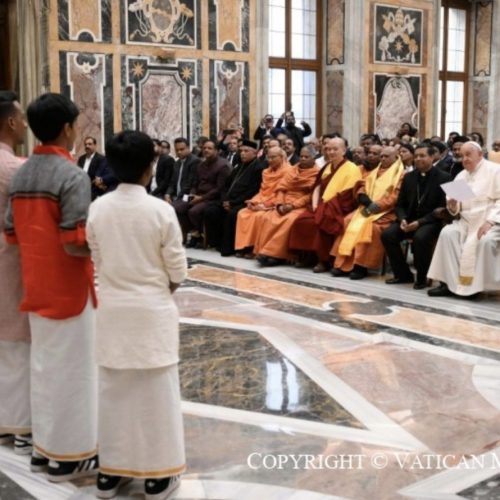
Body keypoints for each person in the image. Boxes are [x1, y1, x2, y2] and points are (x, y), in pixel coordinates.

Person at [86, 130, 187, 499]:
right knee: (156, 395)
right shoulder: (160, 210)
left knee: (114, 391)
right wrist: (158, 288)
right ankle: (159, 475)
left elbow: (97, 259)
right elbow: (177, 270)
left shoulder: (98, 208)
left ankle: (111, 472)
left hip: (111, 309)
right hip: (152, 312)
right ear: (150, 167)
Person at [4, 92, 98, 480]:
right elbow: (75, 243)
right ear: (67, 128)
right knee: (75, 372)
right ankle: (70, 454)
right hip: (69, 287)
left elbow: (11, 233)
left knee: (44, 368)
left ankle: (43, 449)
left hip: (34, 284)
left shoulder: (22, 173)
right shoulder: (72, 176)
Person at [0, 91, 32, 455]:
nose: (24, 124)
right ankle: (20, 424)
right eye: (21, 118)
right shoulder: (16, 168)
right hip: (10, 260)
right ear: (11, 121)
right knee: (18, 345)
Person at [427, 141, 500, 297]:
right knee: (447, 233)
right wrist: (453, 205)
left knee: (485, 241)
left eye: (468, 155)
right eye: (462, 155)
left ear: (480, 154)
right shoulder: (461, 175)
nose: (465, 159)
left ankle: (477, 287)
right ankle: (448, 284)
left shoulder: (495, 171)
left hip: (490, 221)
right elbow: (456, 207)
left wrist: (490, 221)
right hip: (466, 222)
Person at [381, 144, 451, 289]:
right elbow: (399, 204)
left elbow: (444, 208)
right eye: (416, 156)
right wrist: (402, 219)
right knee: (388, 235)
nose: (418, 159)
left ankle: (422, 277)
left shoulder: (445, 177)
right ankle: (403, 274)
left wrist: (420, 222)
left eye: (422, 156)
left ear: (432, 157)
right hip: (409, 220)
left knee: (420, 237)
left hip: (431, 221)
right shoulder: (409, 177)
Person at [288, 137, 362, 272]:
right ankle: (307, 256)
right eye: (328, 149)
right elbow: (317, 187)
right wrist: (315, 205)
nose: (331, 152)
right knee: (301, 221)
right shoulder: (327, 167)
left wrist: (324, 207)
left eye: (335, 149)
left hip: (337, 207)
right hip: (320, 204)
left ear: (344, 150)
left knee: (322, 222)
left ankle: (324, 260)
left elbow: (347, 197)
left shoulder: (352, 169)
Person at [331, 147, 405, 279]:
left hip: (386, 212)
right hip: (367, 207)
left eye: (386, 156)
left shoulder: (401, 174)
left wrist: (378, 205)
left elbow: (396, 196)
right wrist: (363, 197)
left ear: (395, 157)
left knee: (371, 228)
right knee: (348, 220)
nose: (382, 159)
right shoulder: (375, 171)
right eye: (381, 156)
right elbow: (363, 186)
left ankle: (361, 266)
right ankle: (343, 263)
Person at [254, 146, 320, 266]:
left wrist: (292, 205)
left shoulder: (318, 173)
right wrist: (280, 204)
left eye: (306, 157)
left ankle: (276, 256)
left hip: (300, 205)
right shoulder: (292, 170)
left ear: (314, 158)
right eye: (301, 156)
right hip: (284, 202)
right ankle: (264, 251)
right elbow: (281, 188)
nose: (303, 159)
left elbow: (311, 195)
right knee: (268, 217)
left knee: (289, 220)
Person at [204, 140, 263, 256]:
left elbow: (253, 191)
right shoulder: (238, 166)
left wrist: (233, 203)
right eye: (241, 151)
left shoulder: (258, 168)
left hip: (244, 201)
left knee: (232, 214)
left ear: (255, 153)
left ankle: (229, 247)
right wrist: (226, 200)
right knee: (210, 210)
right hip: (229, 200)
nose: (242, 154)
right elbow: (226, 185)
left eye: (246, 151)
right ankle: (216, 242)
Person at [172, 139, 230, 247]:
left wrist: (201, 198)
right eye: (204, 148)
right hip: (197, 195)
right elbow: (195, 183)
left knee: (193, 211)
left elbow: (219, 188)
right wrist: (192, 194)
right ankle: (192, 233)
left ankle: (198, 234)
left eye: (209, 148)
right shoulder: (201, 165)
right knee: (177, 206)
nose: (206, 150)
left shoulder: (223, 165)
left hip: (212, 198)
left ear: (216, 150)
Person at [234, 146, 290, 257]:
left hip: (275, 203)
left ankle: (254, 248)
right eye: (268, 157)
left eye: (273, 157)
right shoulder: (266, 172)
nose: (270, 160)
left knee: (259, 216)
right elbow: (263, 191)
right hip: (262, 200)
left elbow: (282, 193)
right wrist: (254, 201)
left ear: (281, 157)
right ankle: (244, 246)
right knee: (242, 213)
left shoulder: (288, 171)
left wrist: (264, 205)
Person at [164, 138, 201, 203]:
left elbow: (189, 184)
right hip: (175, 196)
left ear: (188, 148)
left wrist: (177, 199)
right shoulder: (176, 163)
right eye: (177, 150)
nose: (179, 152)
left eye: (181, 149)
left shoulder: (194, 161)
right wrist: (167, 194)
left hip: (187, 196)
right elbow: (172, 183)